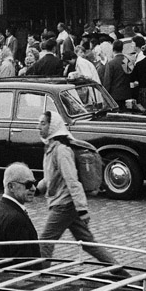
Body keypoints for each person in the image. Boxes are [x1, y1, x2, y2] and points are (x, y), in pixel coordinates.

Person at [36, 112, 115, 263]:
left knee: (45, 242)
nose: (38, 127)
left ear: (52, 126)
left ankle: (40, 275)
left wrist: (82, 209)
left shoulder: (62, 151)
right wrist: (35, 190)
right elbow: (49, 178)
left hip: (64, 205)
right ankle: (120, 271)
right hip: (66, 205)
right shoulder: (50, 149)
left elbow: (72, 180)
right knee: (88, 243)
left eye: (43, 123)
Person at [0, 162, 40, 260]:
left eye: (34, 183)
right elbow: (25, 262)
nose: (34, 188)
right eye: (28, 184)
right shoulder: (16, 219)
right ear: (11, 187)